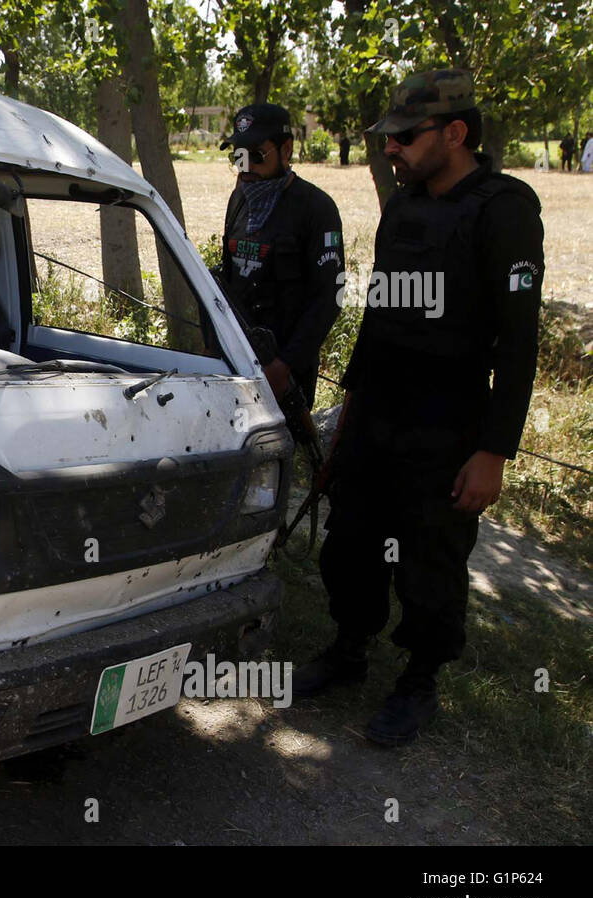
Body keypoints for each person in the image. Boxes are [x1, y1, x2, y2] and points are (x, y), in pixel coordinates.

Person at [297, 70, 543, 747]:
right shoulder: (402, 207)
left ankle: (419, 682)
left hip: (448, 425)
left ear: (455, 133)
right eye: (389, 139)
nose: (391, 150)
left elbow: (520, 343)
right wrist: (345, 419)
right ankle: (348, 651)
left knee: (430, 560)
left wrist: (493, 452)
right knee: (350, 546)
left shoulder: (505, 208)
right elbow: (378, 317)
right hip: (377, 413)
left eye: (404, 137)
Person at [218, 103, 344, 408]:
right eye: (238, 156)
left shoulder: (316, 208)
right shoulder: (239, 201)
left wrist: (284, 365)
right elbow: (227, 278)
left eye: (256, 155)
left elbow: (329, 297)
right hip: (236, 364)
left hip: (287, 375)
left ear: (285, 150)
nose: (245, 166)